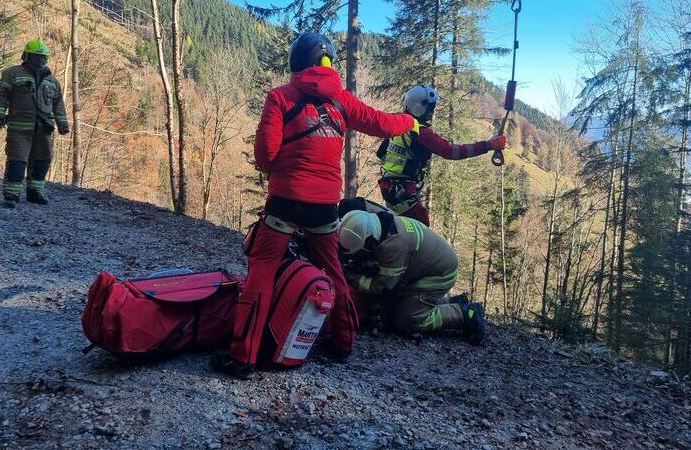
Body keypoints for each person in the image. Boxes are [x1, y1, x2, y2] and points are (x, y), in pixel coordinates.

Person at [212, 32, 418, 379]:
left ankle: (242, 356)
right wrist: (411, 121)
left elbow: (265, 157)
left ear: (297, 61)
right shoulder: (342, 100)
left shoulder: (279, 97)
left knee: (261, 270)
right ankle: (343, 342)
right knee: (334, 272)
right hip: (325, 206)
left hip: (284, 203)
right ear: (328, 62)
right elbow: (383, 123)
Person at [338, 210, 485, 345]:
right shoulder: (380, 223)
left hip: (439, 276)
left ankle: (466, 313)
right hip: (424, 270)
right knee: (393, 304)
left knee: (407, 319)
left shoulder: (392, 247)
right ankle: (446, 302)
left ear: (369, 243)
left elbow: (379, 287)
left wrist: (351, 276)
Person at [377, 85, 507, 226]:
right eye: (430, 109)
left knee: (399, 227)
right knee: (420, 231)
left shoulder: (397, 123)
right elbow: (450, 151)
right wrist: (487, 145)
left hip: (389, 187)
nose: (432, 112)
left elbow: (382, 153)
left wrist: (402, 164)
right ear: (420, 109)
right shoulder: (420, 132)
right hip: (404, 191)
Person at [0, 39, 69, 208]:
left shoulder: (52, 81)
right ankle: (11, 194)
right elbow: (1, 94)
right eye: (36, 57)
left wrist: (63, 124)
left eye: (43, 58)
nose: (40, 60)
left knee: (42, 161)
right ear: (26, 56)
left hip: (44, 129)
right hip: (19, 128)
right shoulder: (13, 74)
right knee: (17, 161)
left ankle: (35, 193)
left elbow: (58, 104)